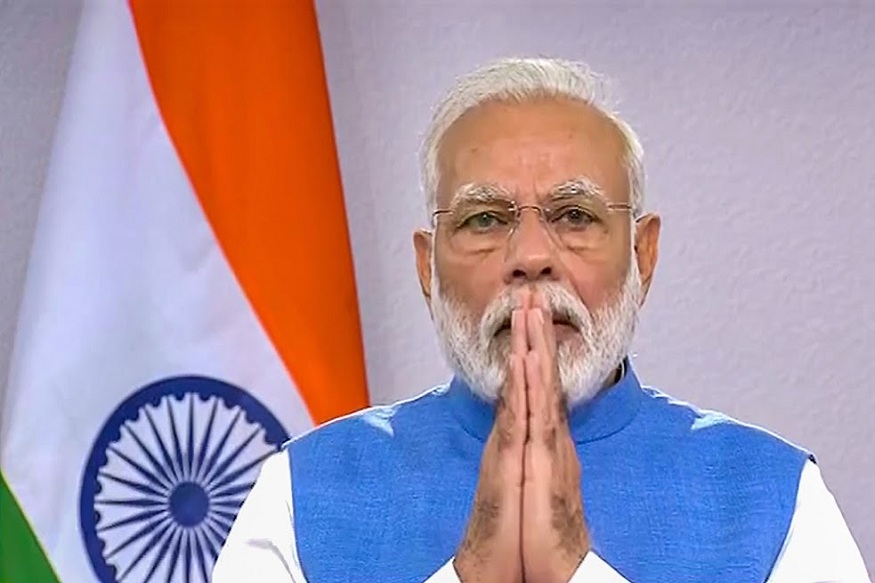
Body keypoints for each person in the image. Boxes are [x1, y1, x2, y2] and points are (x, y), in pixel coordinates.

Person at [212, 57, 870, 582]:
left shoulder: (772, 497)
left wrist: (574, 569)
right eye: (484, 219)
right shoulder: (303, 491)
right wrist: (470, 574)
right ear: (426, 266)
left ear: (643, 254)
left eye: (575, 215)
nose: (529, 257)